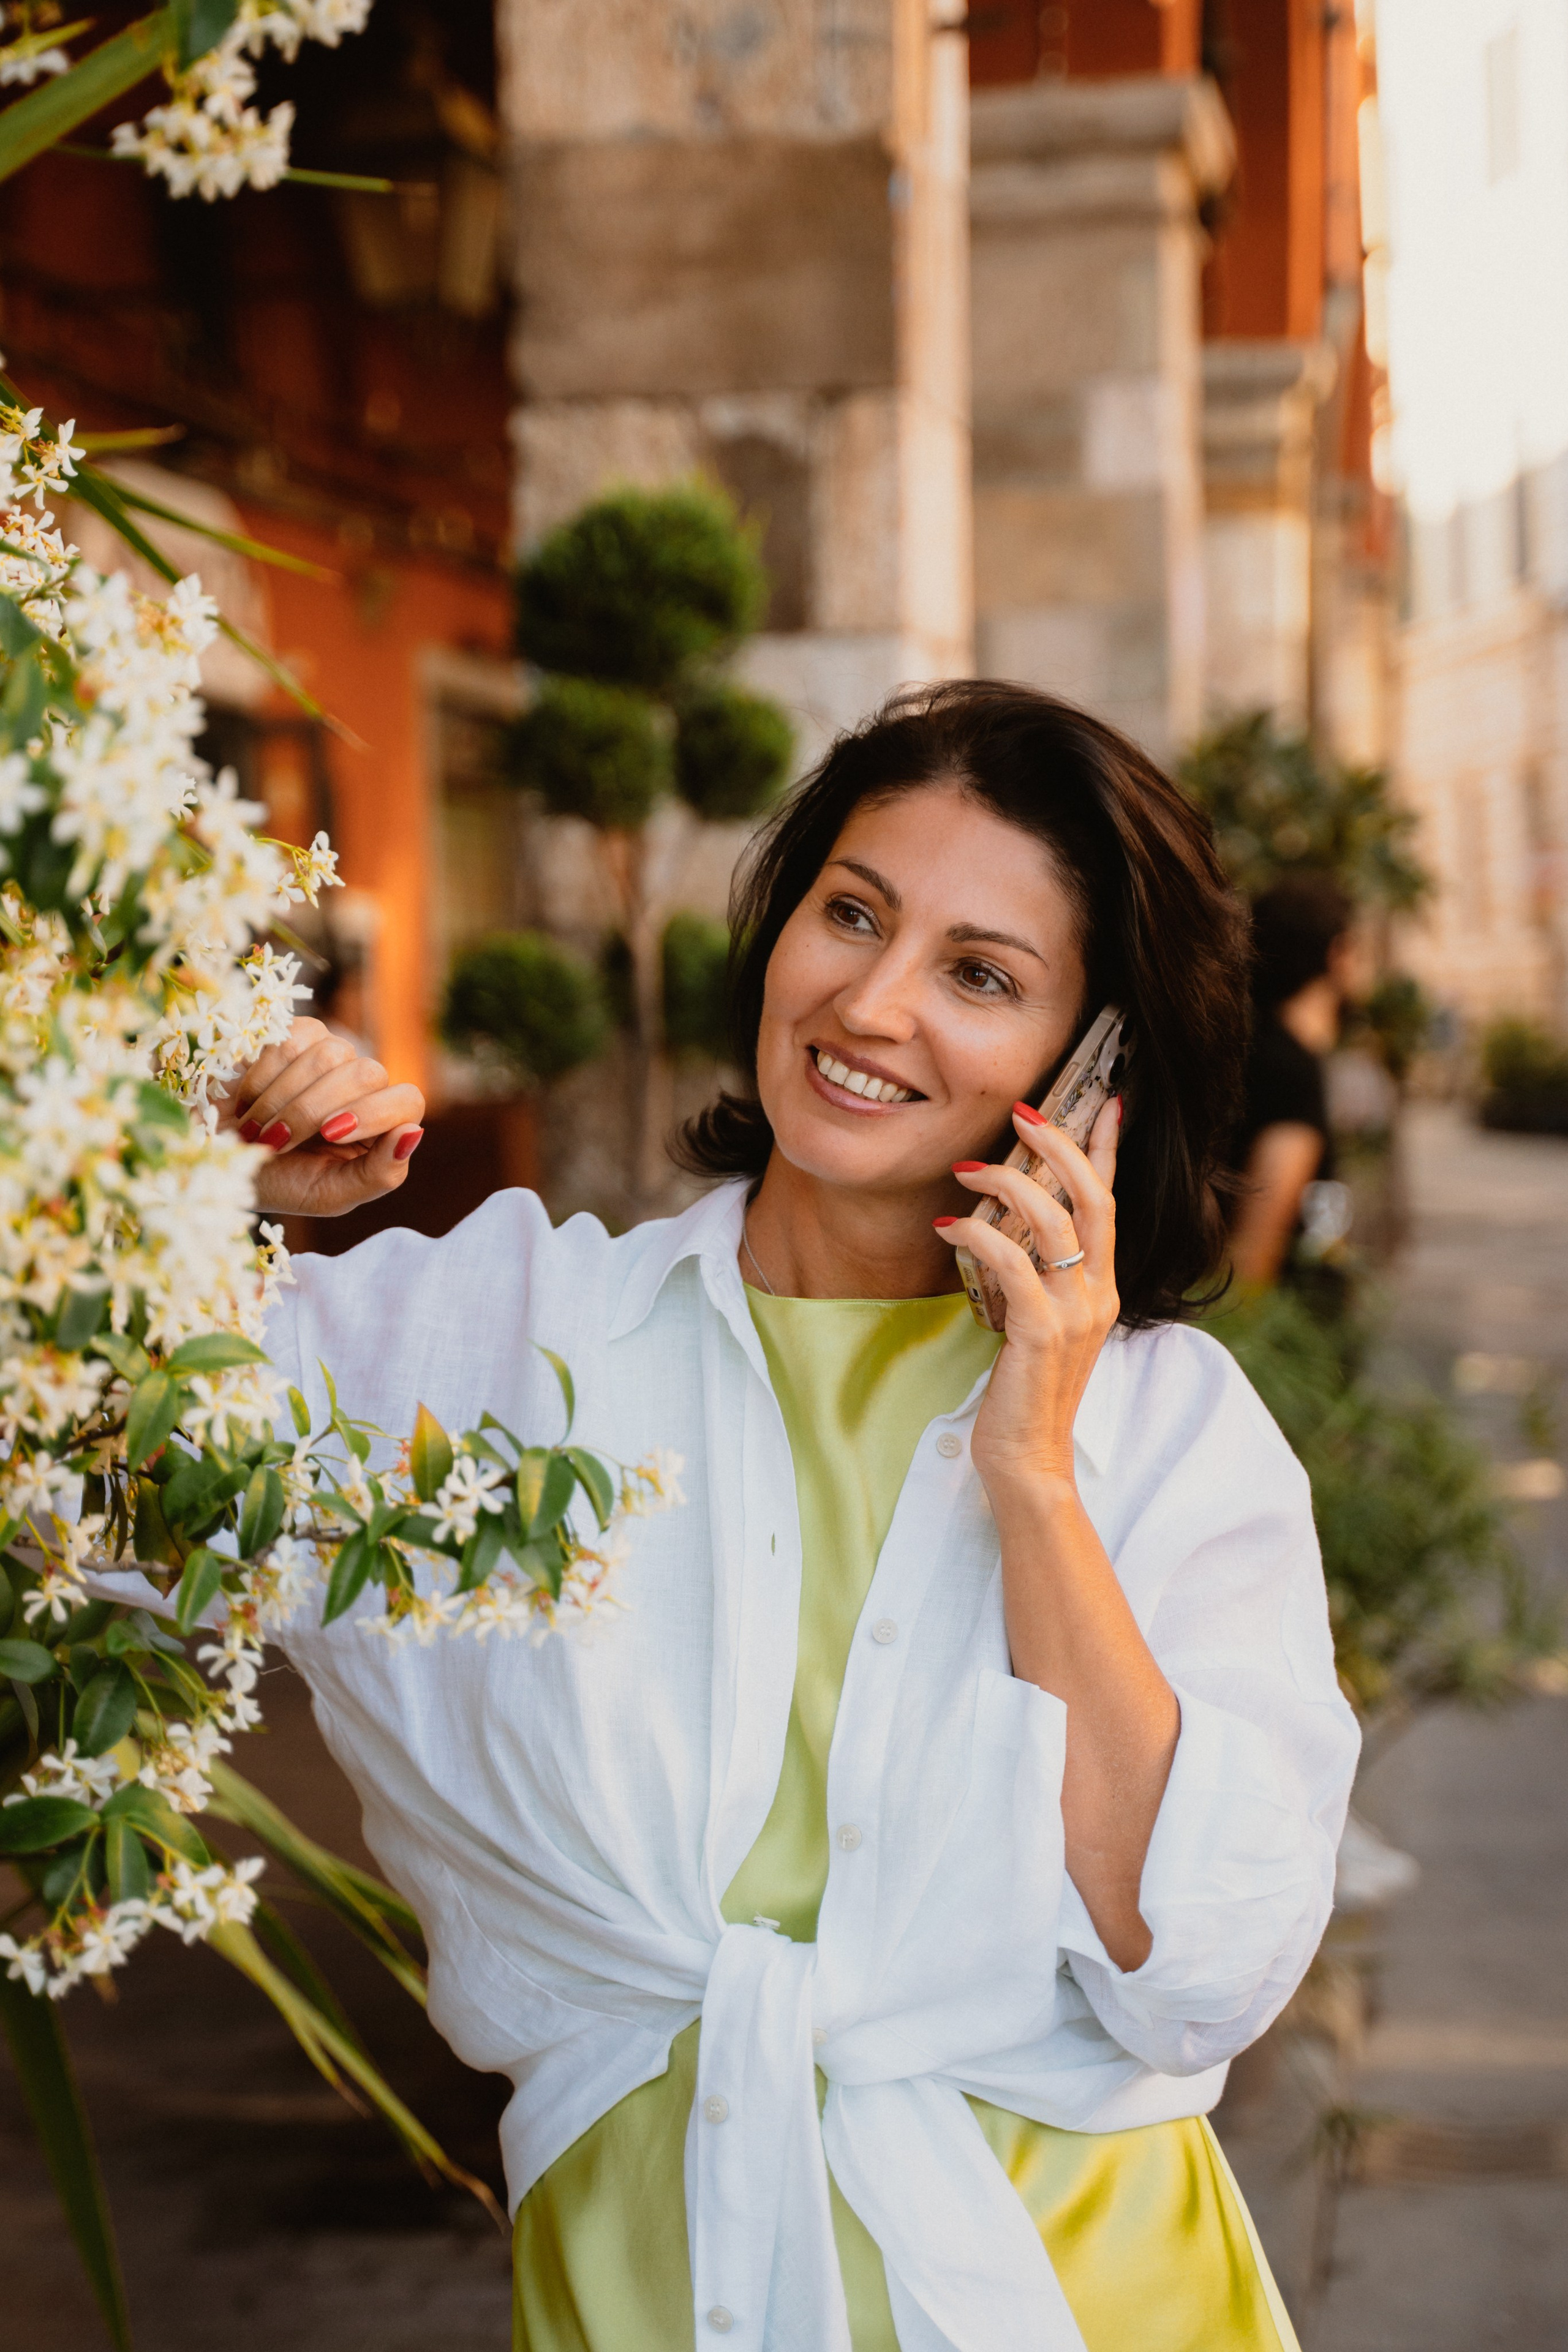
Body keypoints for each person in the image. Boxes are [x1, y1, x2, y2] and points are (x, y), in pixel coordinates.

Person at [225, 682, 1359, 2352]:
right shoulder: (508, 1338)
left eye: (981, 975)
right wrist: (200, 1182)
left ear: (1090, 1068)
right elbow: (84, 1473)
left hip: (1093, 2300)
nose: (873, 1005)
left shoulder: (1172, 1435)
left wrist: (1034, 1467)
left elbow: (1197, 1969)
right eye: (852, 914)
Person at [1227, 876, 1366, 1291]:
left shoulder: (1262, 1048)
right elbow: (1258, 1246)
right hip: (1286, 1328)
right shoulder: (1288, 1068)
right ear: (1337, 954)